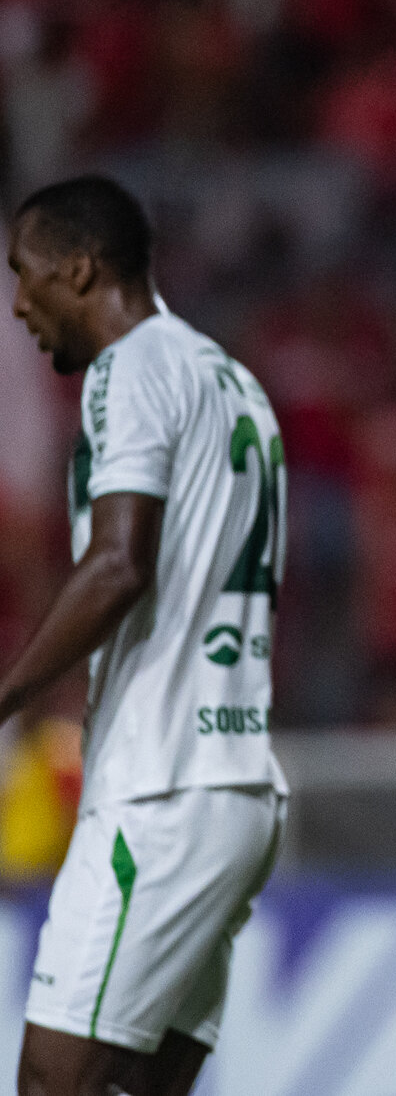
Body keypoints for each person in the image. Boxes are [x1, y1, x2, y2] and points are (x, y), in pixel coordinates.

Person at [3, 175, 287, 1096]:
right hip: (237, 785)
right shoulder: (234, 381)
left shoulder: (131, 370)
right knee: (137, 1087)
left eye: (27, 273)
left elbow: (122, 564)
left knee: (55, 1082)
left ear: (79, 270)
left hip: (161, 790)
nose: (18, 302)